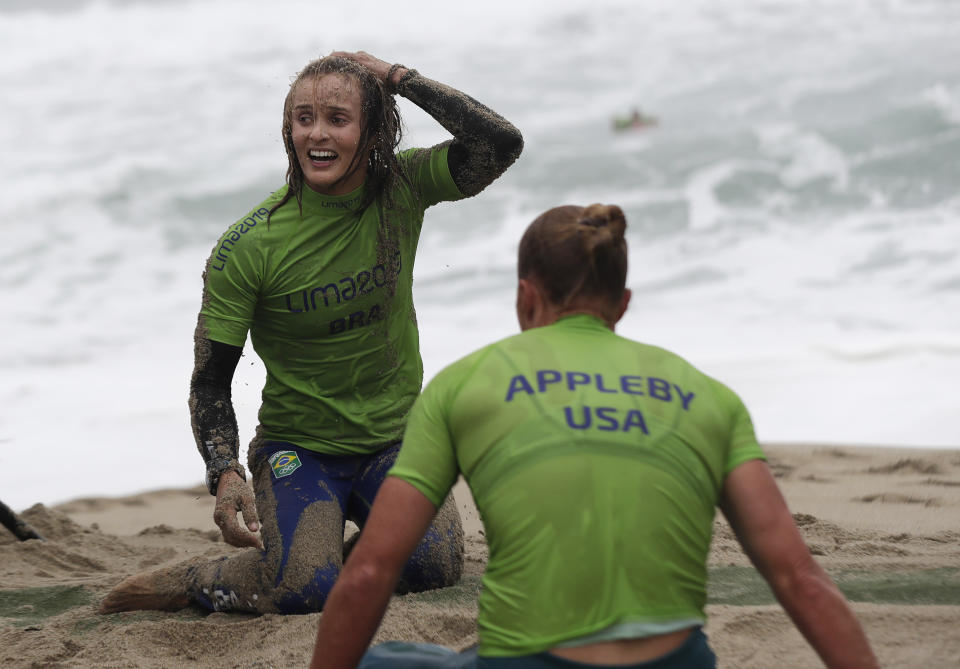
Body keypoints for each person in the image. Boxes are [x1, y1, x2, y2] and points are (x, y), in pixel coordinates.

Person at [309, 204, 879, 668]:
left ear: (525, 297)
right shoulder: (709, 396)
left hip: (527, 662)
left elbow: (369, 572)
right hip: (676, 663)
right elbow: (798, 576)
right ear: (622, 305)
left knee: (385, 661)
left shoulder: (465, 384)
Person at [98, 50, 523, 615]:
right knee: (308, 593)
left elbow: (500, 144)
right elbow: (210, 380)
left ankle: (317, 560)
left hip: (396, 439)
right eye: (303, 119)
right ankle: (205, 576)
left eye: (337, 119)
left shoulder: (403, 187)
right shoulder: (247, 247)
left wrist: (399, 78)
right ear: (287, 131)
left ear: (371, 131)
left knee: (433, 566)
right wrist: (224, 473)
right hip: (300, 449)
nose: (316, 135)